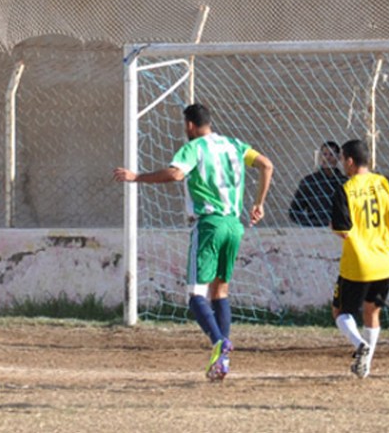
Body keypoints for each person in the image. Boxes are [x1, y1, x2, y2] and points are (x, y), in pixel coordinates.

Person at [113, 103, 273, 381]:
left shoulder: (195, 147)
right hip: (235, 225)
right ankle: (222, 359)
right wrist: (258, 204)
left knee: (196, 295)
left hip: (209, 224)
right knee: (220, 291)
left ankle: (218, 342)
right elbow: (267, 165)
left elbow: (176, 174)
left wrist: (136, 177)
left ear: (189, 125)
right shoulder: (234, 144)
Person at [330, 140, 389, 378]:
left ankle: (359, 344)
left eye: (342, 159)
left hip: (358, 263)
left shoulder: (345, 189)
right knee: (372, 312)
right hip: (386, 262)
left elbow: (343, 230)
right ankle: (365, 365)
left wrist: (334, 225)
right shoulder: (386, 182)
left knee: (340, 313)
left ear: (349, 161)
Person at [289, 141, 348, 227]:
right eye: (325, 154)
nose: (328, 158)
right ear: (320, 157)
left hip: (340, 229)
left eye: (331, 155)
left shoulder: (344, 182)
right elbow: (294, 211)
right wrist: (311, 223)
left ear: (338, 158)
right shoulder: (310, 182)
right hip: (315, 230)